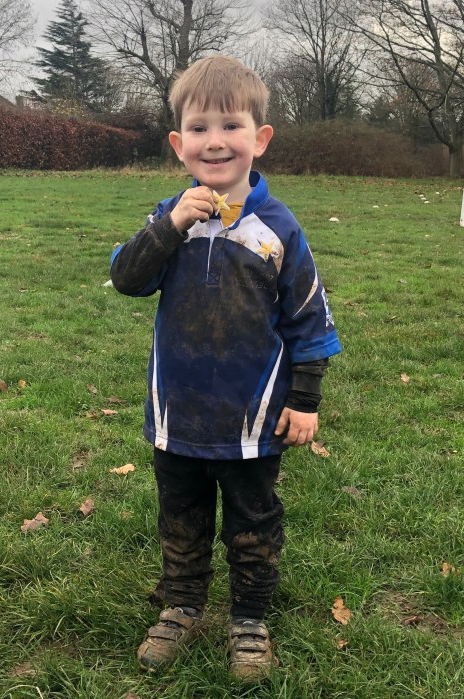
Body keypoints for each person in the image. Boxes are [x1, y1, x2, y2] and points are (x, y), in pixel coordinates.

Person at [110, 55, 341, 681]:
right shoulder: (169, 218)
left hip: (252, 420)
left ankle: (250, 619)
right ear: (178, 143)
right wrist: (171, 225)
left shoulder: (279, 229)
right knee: (180, 516)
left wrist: (306, 400)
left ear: (259, 138)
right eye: (199, 127)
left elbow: (308, 319)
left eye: (231, 126)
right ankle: (182, 605)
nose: (215, 140)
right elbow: (127, 278)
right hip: (178, 413)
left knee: (253, 521)